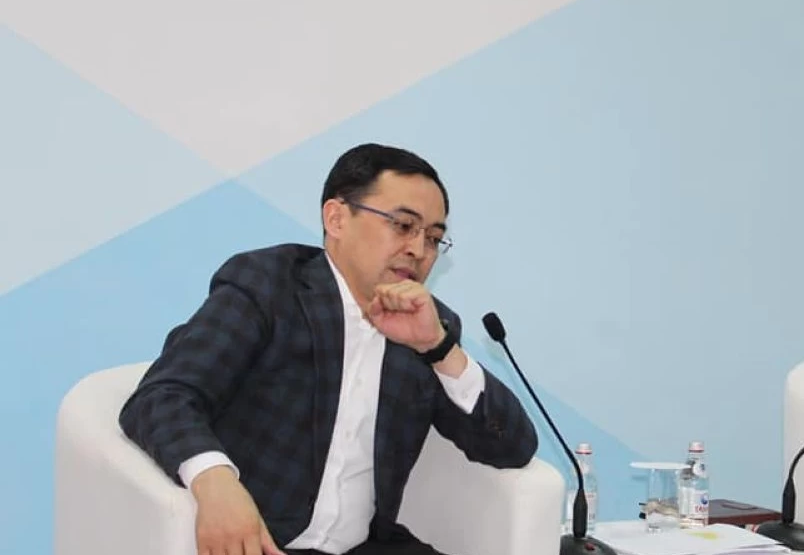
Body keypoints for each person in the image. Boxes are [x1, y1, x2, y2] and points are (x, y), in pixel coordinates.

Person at [119, 143, 539, 555]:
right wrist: (216, 483)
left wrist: (438, 348)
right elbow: (163, 397)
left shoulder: (427, 324)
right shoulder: (268, 285)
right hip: (263, 540)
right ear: (336, 218)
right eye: (402, 225)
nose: (418, 250)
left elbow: (512, 448)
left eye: (433, 238)